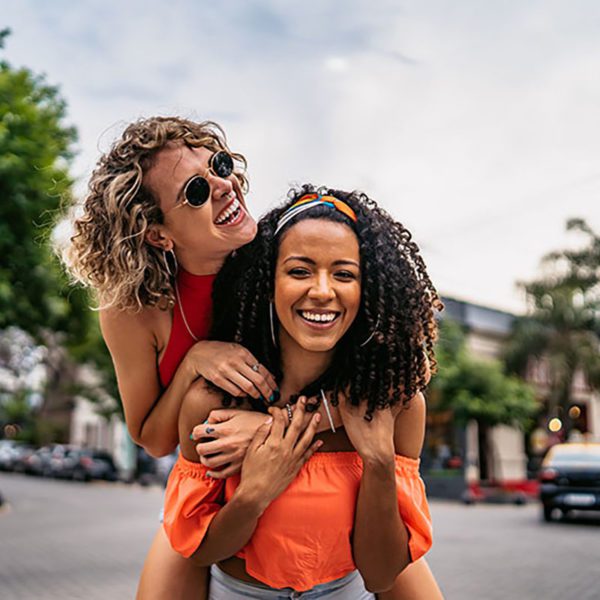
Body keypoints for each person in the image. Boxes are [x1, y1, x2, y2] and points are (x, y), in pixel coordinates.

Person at [163, 186, 444, 598]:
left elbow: (381, 576)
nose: (322, 291)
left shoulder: (394, 406)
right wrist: (256, 491)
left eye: (344, 274)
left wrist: (379, 461)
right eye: (300, 271)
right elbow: (201, 551)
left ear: (366, 291)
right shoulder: (214, 401)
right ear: (268, 283)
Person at [59, 116, 279, 599]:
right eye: (196, 192)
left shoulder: (288, 260)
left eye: (220, 166)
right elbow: (151, 438)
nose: (224, 186)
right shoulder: (132, 311)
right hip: (202, 489)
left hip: (303, 467)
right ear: (158, 233)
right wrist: (193, 363)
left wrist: (267, 430)